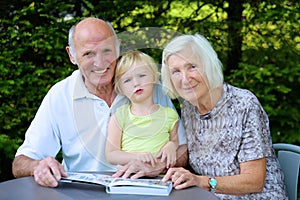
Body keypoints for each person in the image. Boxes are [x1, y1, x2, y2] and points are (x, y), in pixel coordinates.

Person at [12, 17, 188, 188]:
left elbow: (182, 149)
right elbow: (21, 162)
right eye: (88, 53)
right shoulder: (60, 95)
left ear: (118, 47)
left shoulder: (148, 87)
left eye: (107, 51)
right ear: (72, 56)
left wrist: (157, 166)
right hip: (84, 193)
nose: (100, 62)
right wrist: (38, 167)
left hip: (146, 189)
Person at [160, 34, 287, 199]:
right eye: (176, 71)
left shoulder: (244, 104)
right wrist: (157, 163)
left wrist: (202, 181)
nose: (185, 79)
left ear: (209, 65)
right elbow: (189, 157)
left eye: (192, 67)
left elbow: (254, 181)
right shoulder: (189, 108)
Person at [106, 51, 178, 168]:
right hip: (128, 178)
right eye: (127, 80)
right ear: (120, 88)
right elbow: (111, 155)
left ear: (154, 77)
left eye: (142, 75)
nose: (136, 83)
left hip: (161, 179)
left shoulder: (169, 115)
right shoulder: (119, 116)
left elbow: (175, 141)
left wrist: (171, 145)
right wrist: (136, 157)